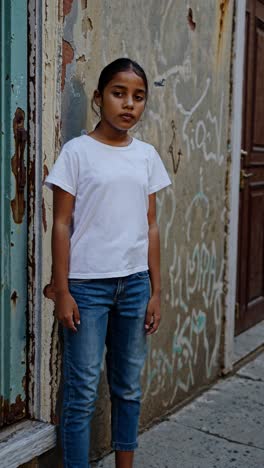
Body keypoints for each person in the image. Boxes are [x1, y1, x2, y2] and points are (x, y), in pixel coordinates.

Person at [44, 57, 171, 468]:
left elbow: (150, 225)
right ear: (99, 98)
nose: (129, 104)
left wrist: (156, 290)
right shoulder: (77, 153)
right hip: (86, 288)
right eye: (119, 94)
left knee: (127, 387)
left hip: (134, 285)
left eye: (138, 97)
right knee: (81, 391)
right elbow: (61, 225)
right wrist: (62, 290)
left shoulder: (147, 156)